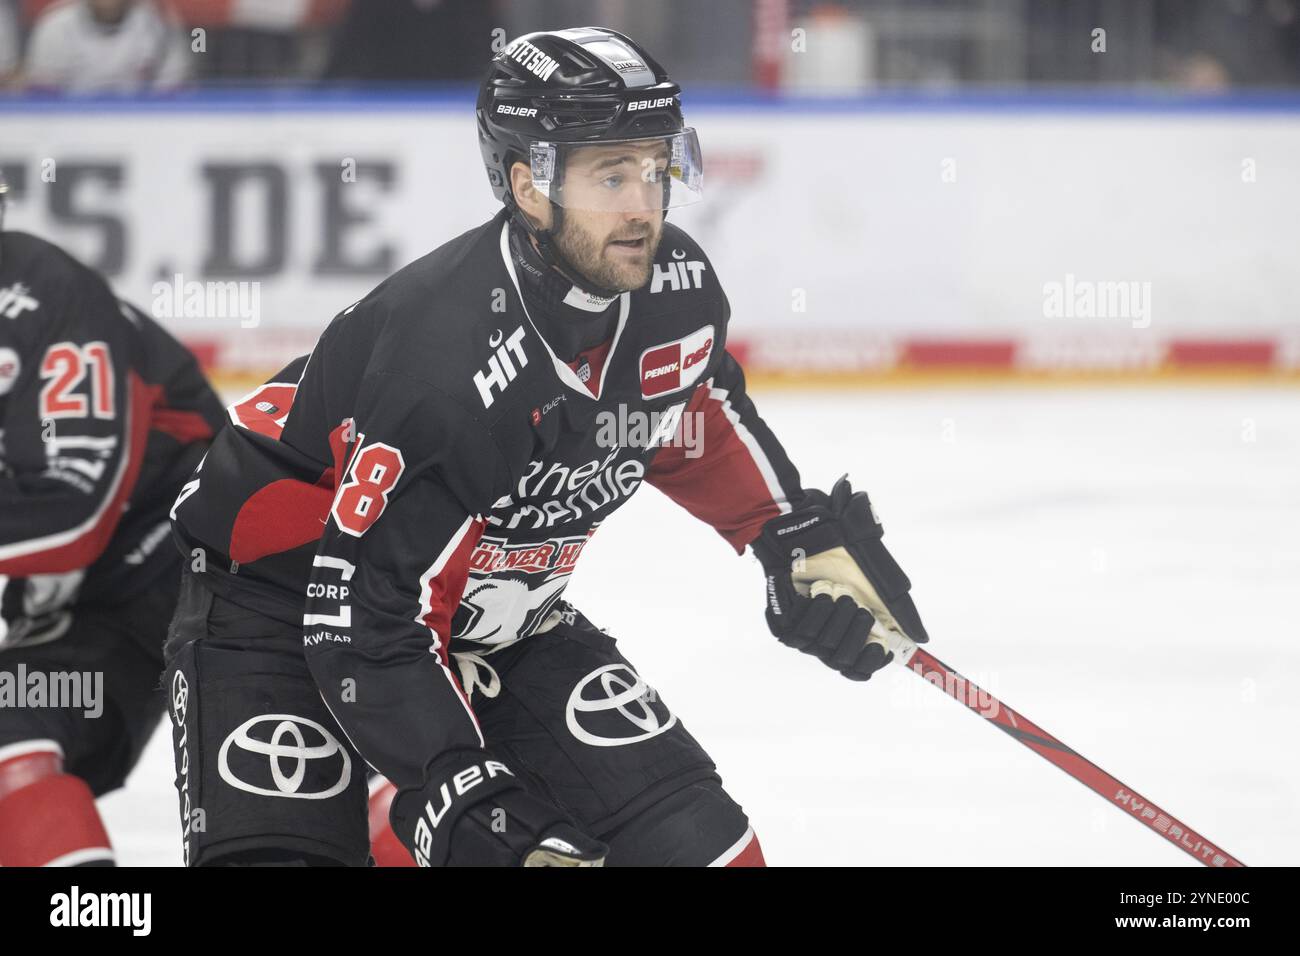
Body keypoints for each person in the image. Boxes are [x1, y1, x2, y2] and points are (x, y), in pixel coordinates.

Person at [165, 26, 930, 868]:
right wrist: (465, 798)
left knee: (707, 850)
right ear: (530, 187)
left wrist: (788, 536)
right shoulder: (446, 362)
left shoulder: (673, 292)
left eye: (653, 165)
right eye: (611, 174)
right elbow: (361, 623)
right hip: (285, 607)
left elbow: (686, 420)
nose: (644, 203)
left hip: (490, 614)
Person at [0, 175, 224, 866]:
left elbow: (74, 510)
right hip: (79, 599)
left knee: (319, 782)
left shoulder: (49, 296)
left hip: (193, 567)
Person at [24, 0, 188, 93]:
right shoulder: (56, 24)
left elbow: (172, 94)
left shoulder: (158, 22)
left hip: (142, 130)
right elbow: (43, 105)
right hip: (68, 132)